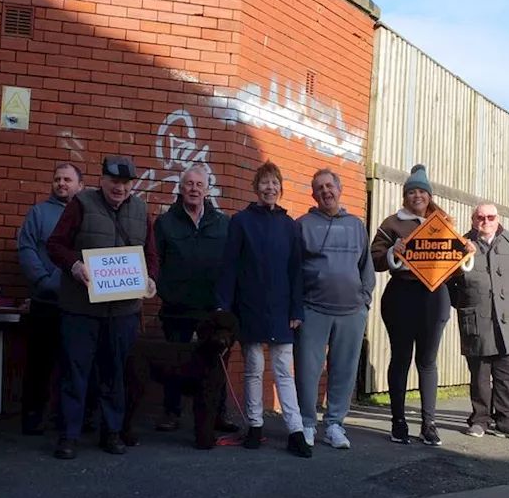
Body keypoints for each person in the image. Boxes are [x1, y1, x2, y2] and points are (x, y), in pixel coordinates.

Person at [46, 155, 160, 459]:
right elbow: (55, 245)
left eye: (125, 183)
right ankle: (69, 436)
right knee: (75, 373)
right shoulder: (80, 204)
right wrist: (74, 266)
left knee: (115, 374)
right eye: (114, 182)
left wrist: (150, 279)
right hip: (81, 308)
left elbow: (150, 254)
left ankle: (111, 433)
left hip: (122, 311)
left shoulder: (140, 209)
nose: (119, 188)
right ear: (102, 180)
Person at [218, 160, 311, 458]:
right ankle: (255, 426)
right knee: (253, 369)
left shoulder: (290, 226)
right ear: (255, 188)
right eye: (264, 183)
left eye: (275, 183)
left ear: (280, 188)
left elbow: (296, 271)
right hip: (250, 307)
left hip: (282, 308)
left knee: (284, 371)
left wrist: (297, 309)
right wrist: (224, 307)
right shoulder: (241, 221)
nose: (270, 188)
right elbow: (229, 266)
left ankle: (295, 431)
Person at [368, 165, 452, 446]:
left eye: (422, 192)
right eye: (411, 192)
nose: (417, 196)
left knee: (427, 361)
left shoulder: (443, 223)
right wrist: (393, 251)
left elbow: (455, 266)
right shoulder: (392, 223)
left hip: (433, 298)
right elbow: (375, 257)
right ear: (405, 196)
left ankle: (429, 424)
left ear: (429, 196)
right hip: (400, 297)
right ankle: (398, 422)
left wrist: (467, 255)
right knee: (401, 359)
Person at [152, 164, 236, 434]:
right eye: (189, 184)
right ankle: (172, 412)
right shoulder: (165, 222)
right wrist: (165, 290)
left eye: (199, 185)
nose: (194, 189)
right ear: (180, 188)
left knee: (216, 365)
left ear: (207, 190)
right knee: (175, 361)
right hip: (177, 307)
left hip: (212, 309)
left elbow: (231, 264)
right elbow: (155, 261)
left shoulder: (223, 223)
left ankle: (218, 415)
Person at [294, 168, 374, 449]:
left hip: (351, 312)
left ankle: (335, 425)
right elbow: (292, 270)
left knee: (343, 371)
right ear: (314, 195)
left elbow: (366, 267)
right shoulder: (302, 224)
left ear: (339, 189)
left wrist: (364, 300)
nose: (326, 191)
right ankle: (306, 423)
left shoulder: (356, 225)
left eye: (330, 186)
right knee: (307, 370)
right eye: (319, 188)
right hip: (313, 309)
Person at [449, 202, 509, 442]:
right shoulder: (462, 244)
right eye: (480, 217)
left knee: (506, 375)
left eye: (490, 216)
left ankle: (508, 422)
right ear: (473, 220)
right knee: (480, 376)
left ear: (498, 219)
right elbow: (448, 282)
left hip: (507, 320)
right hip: (477, 319)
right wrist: (466, 304)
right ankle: (480, 420)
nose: (486, 221)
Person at [16, 162, 83, 435]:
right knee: (39, 366)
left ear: (80, 185)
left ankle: (68, 420)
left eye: (68, 179)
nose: (61, 184)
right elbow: (27, 248)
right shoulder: (39, 212)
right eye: (57, 179)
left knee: (73, 365)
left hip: (77, 304)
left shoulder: (87, 214)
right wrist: (46, 281)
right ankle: (32, 418)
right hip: (45, 303)